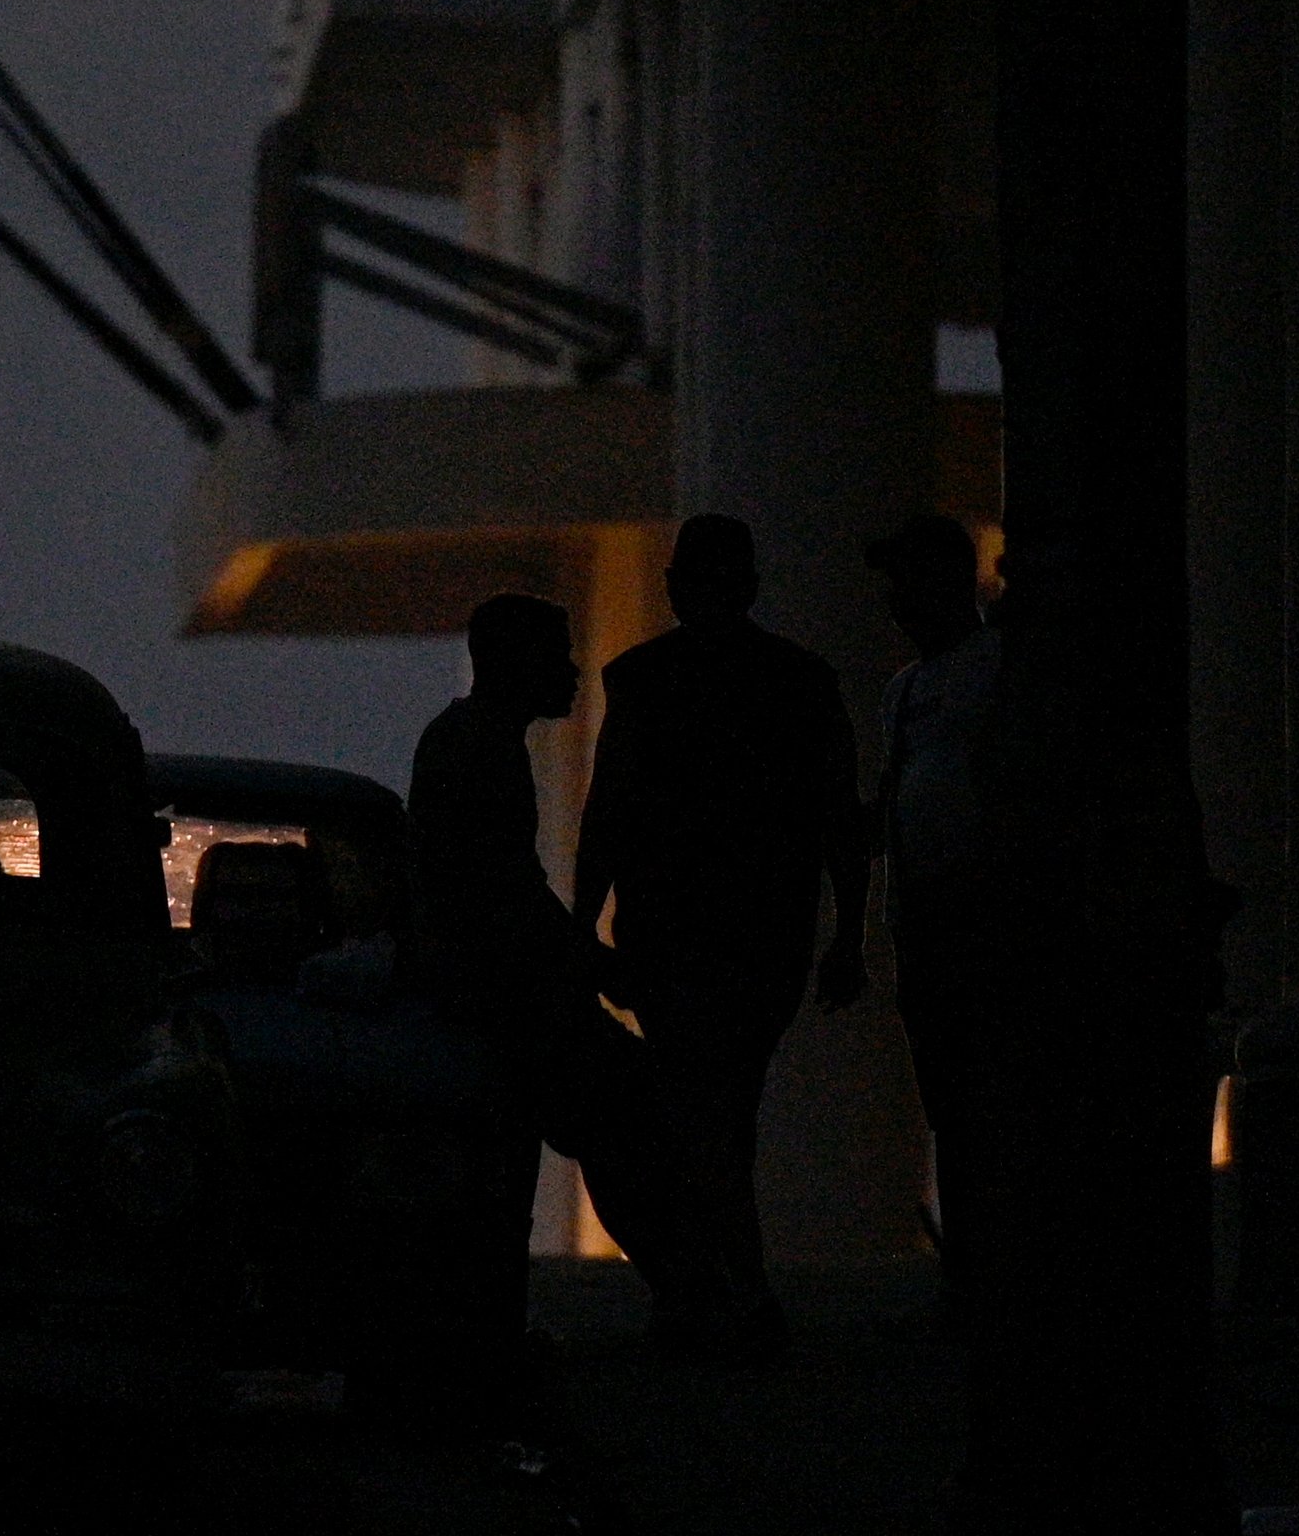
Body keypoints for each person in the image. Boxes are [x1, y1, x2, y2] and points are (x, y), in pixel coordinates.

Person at [404, 593, 731, 1352]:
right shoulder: (479, 750)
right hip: (509, 1000)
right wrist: (592, 964)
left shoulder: (467, 741)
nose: (575, 672)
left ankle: (505, 1320)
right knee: (616, 1121)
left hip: (503, 993)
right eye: (557, 655)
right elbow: (504, 891)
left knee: (572, 1139)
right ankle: (687, 1295)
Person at [572, 516, 865, 1358]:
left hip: (668, 940)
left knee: (694, 1111)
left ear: (672, 588)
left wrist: (581, 924)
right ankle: (730, 1286)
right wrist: (845, 936)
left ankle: (715, 1288)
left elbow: (608, 813)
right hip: (764, 937)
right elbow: (836, 819)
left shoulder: (641, 681)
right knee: (725, 1109)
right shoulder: (804, 685)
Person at [849, 513, 1001, 1318]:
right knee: (950, 1101)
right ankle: (973, 1260)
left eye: (906, 586)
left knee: (981, 1098)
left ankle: (986, 1262)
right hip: (926, 929)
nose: (895, 605)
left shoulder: (998, 671)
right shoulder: (904, 691)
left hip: (979, 926)